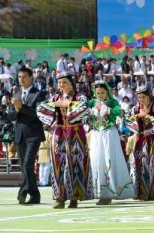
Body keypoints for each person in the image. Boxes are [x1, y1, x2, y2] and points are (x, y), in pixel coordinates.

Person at [37, 73, 92, 209]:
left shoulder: (80, 97)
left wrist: (69, 104)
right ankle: (60, 197)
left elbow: (85, 108)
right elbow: (40, 108)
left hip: (76, 133)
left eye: (64, 82)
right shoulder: (55, 97)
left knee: (76, 163)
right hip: (60, 132)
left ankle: (75, 196)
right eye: (60, 82)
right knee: (58, 163)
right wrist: (56, 104)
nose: (61, 85)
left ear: (71, 83)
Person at [87, 81, 134, 205]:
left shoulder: (113, 102)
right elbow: (83, 111)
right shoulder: (92, 102)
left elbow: (119, 112)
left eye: (103, 92)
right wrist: (91, 111)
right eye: (98, 93)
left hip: (109, 134)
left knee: (109, 160)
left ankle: (109, 192)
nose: (100, 95)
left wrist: (105, 109)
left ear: (107, 91)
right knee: (97, 160)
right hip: (97, 135)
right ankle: (98, 191)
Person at [7, 66, 47, 205]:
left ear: (31, 78)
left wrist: (22, 107)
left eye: (24, 77)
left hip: (34, 134)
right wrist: (17, 109)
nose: (21, 79)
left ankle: (23, 191)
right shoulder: (16, 94)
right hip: (20, 134)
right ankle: (35, 195)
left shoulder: (39, 94)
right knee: (24, 166)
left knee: (28, 164)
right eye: (19, 77)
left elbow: (38, 113)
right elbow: (10, 116)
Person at [126, 85, 154, 200]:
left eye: (143, 97)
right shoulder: (135, 109)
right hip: (140, 139)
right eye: (139, 97)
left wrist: (148, 119)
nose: (141, 100)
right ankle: (138, 191)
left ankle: (151, 192)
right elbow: (128, 121)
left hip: (153, 139)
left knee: (151, 164)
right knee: (137, 163)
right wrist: (139, 116)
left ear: (149, 96)